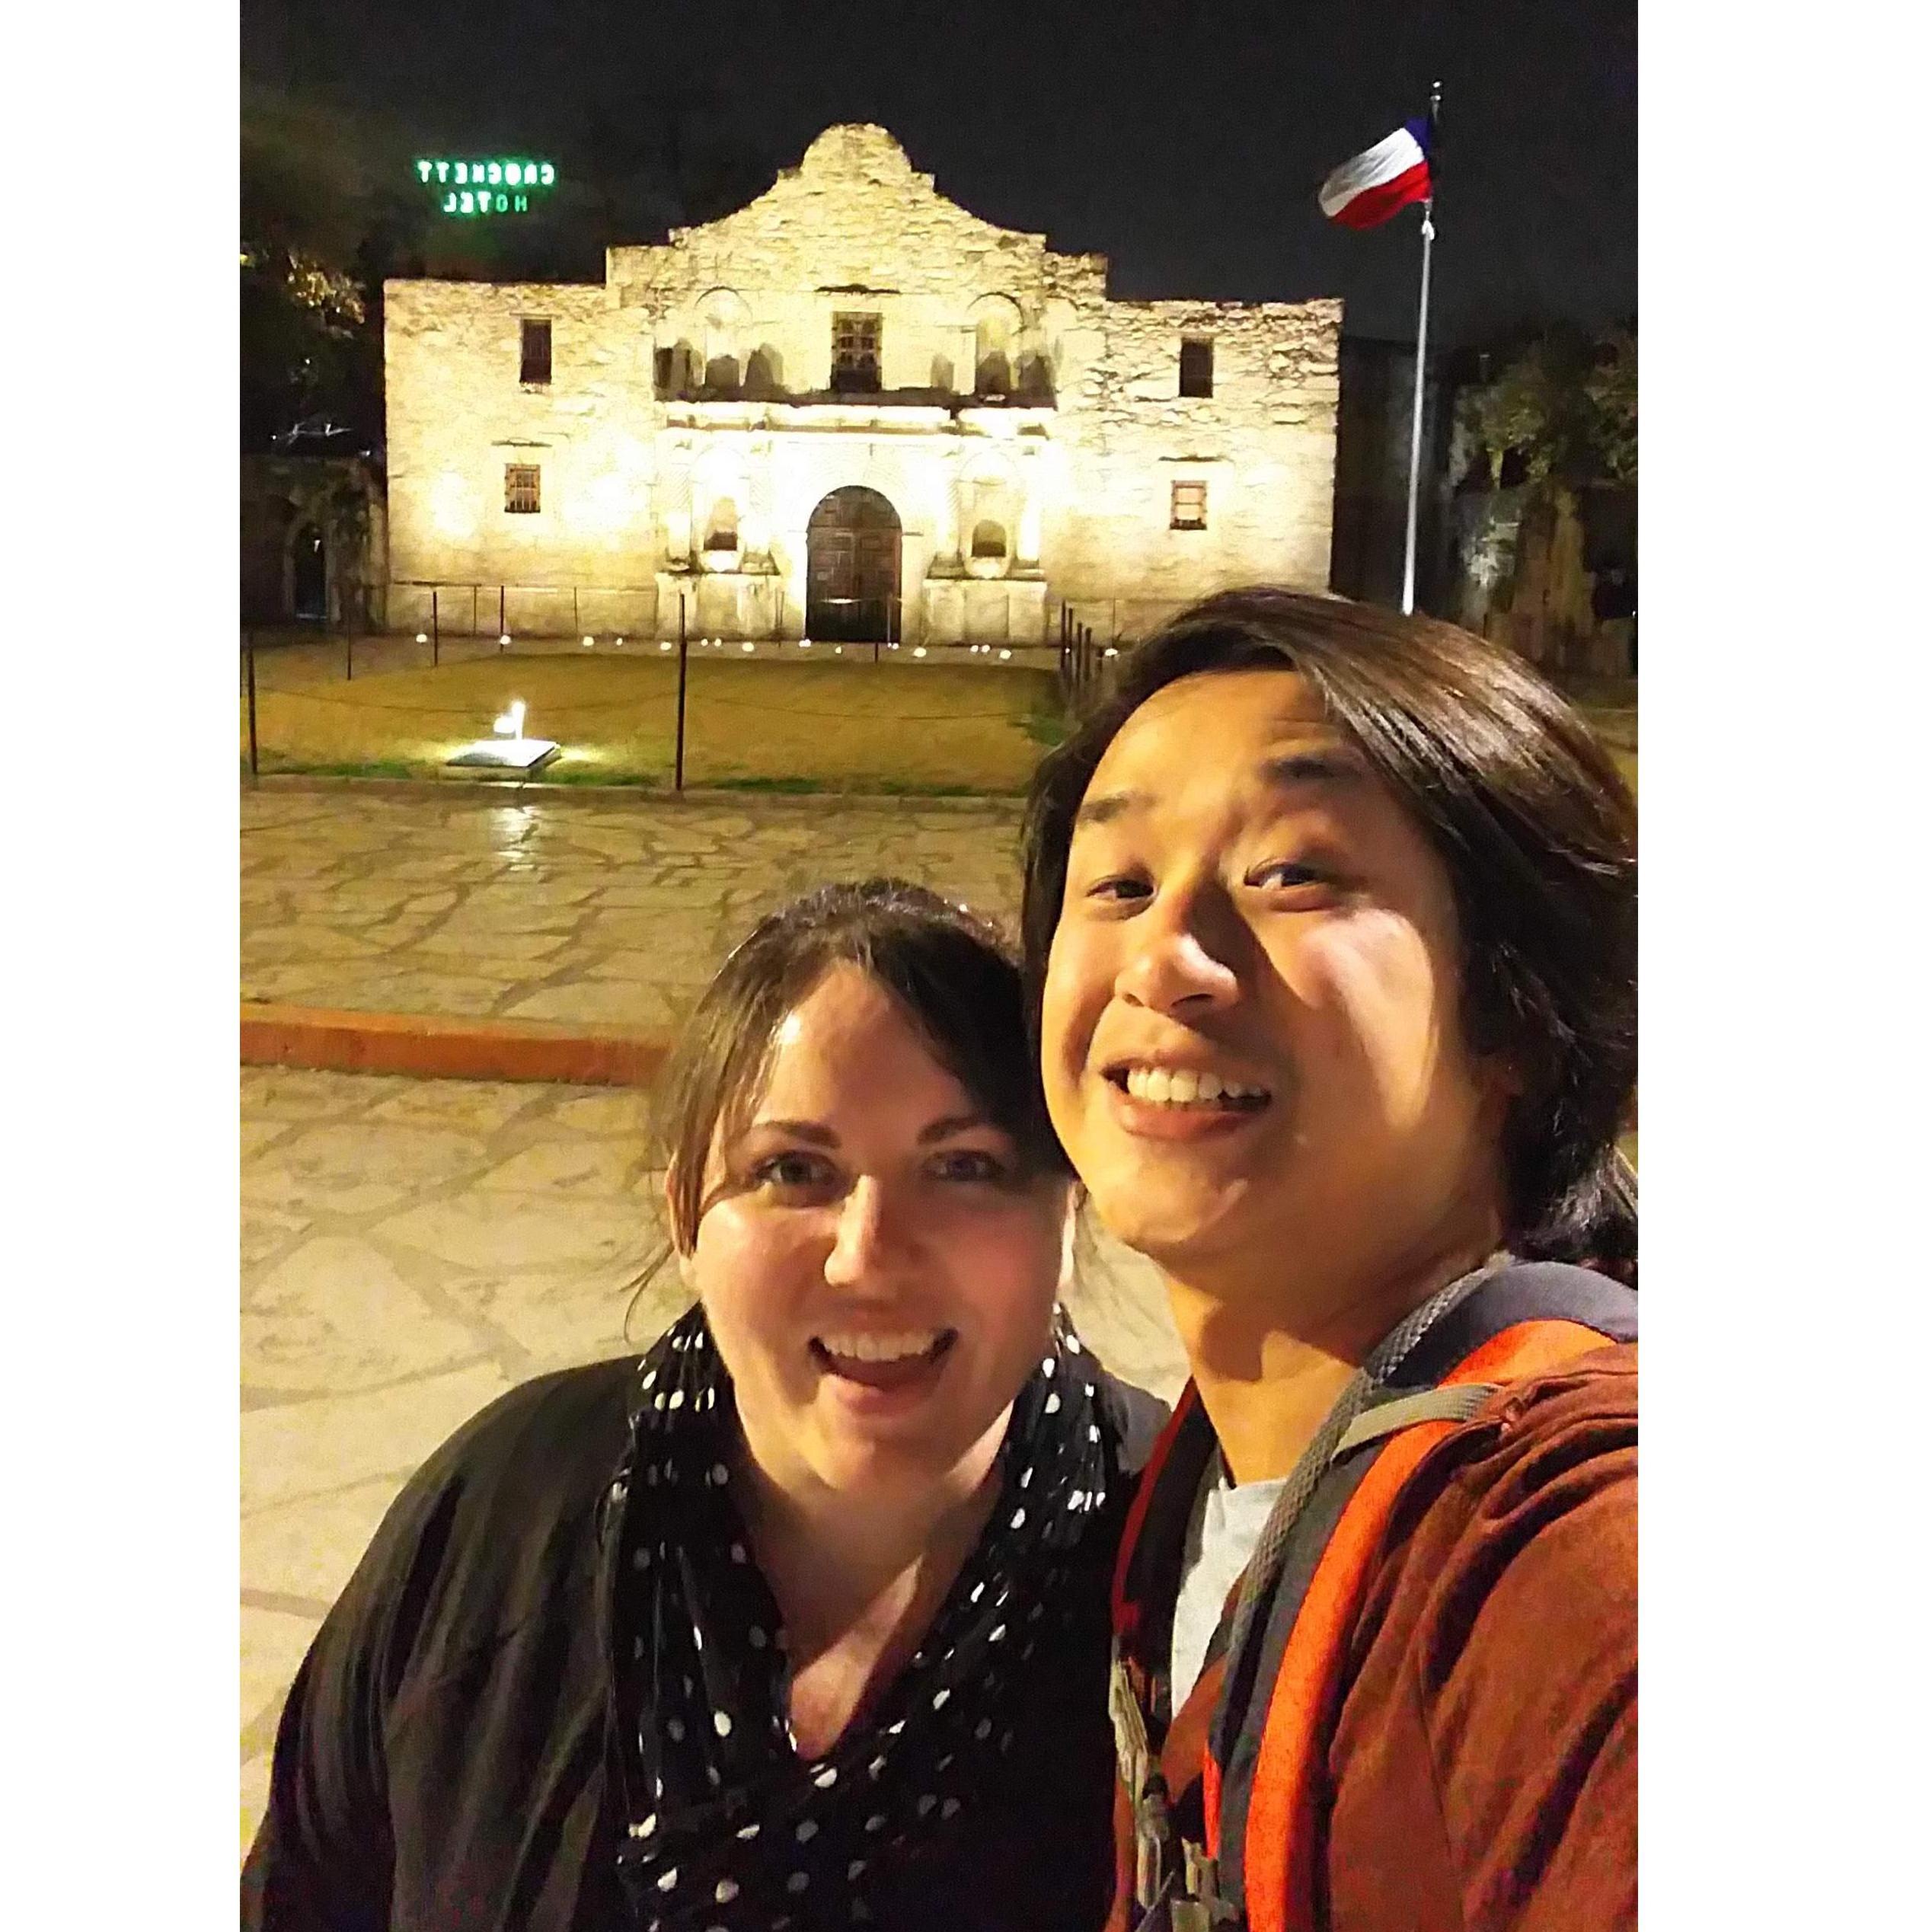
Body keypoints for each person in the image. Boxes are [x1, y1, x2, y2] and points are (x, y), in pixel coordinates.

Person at [244, 879, 1166, 1932]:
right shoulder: (501, 1521)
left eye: (963, 1166)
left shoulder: (1179, 1573)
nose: (868, 1256)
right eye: (793, 1169)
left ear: (1067, 1201)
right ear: (683, 1210)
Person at [1018, 588, 1637, 1931]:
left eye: (1292, 870)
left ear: (1515, 1016)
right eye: (1115, 883)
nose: (1164, 955)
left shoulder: (1566, 1546)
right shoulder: (1184, 1499)